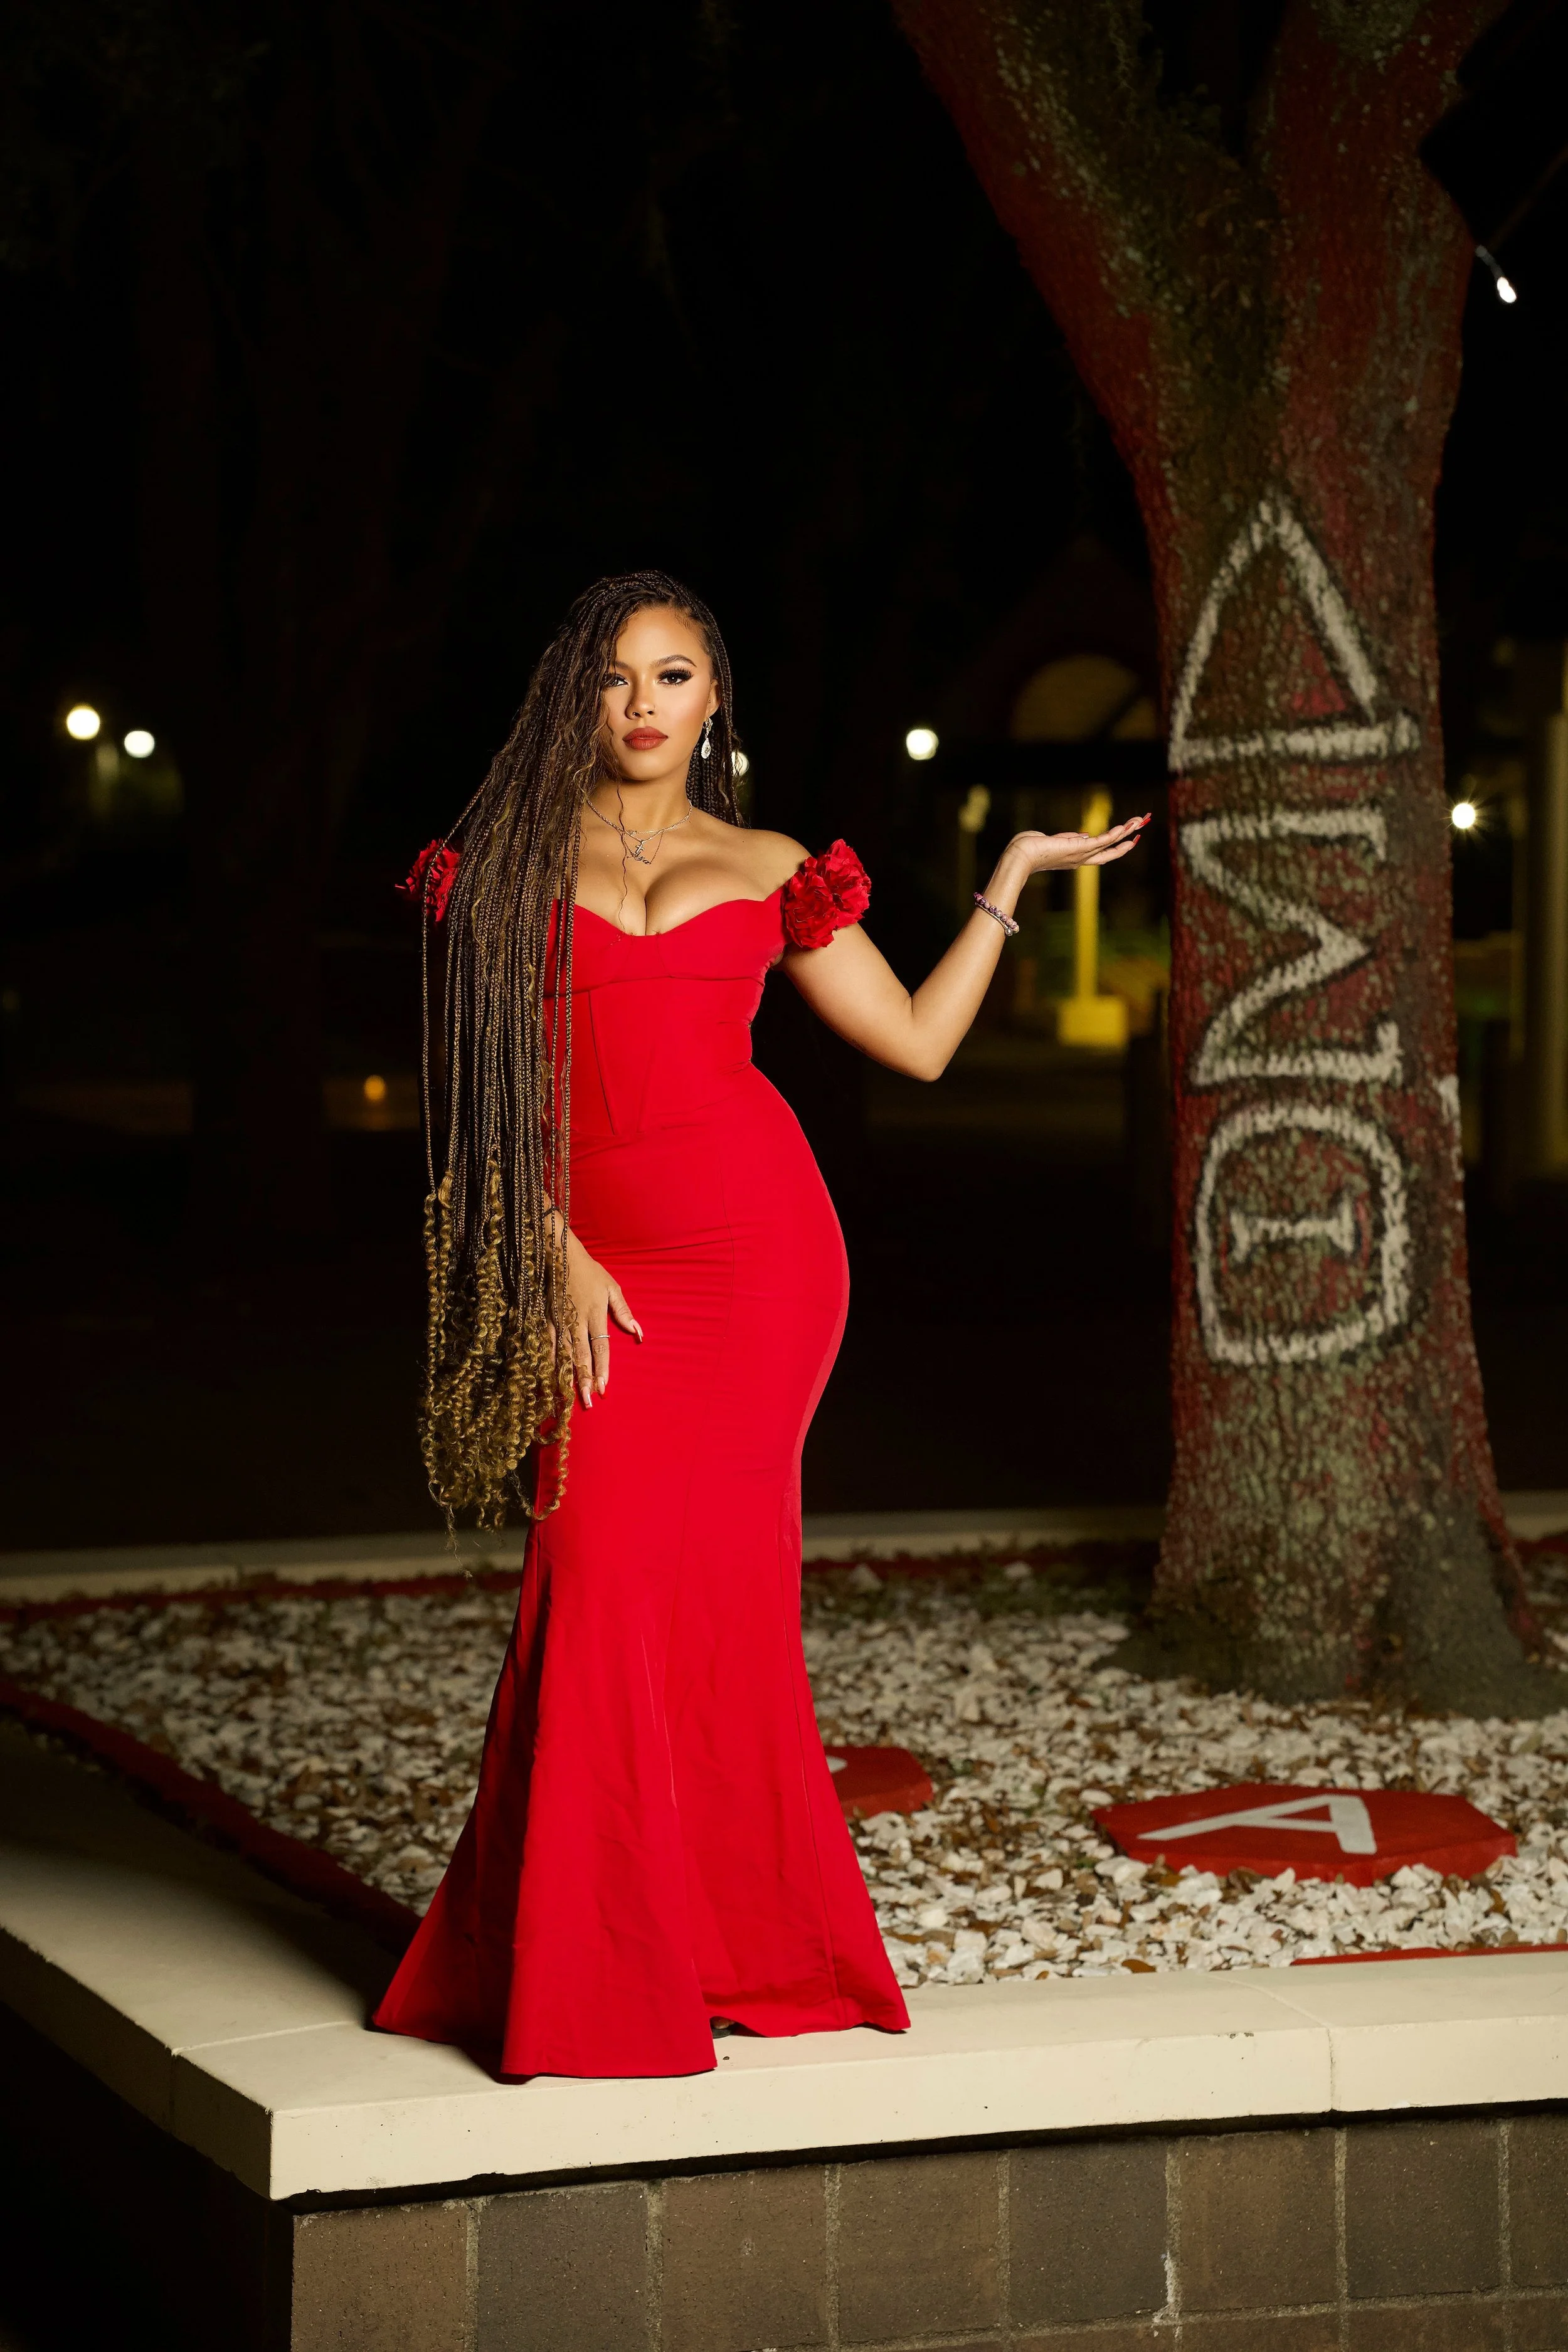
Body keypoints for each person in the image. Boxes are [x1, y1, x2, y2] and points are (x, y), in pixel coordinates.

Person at [374, 569, 1147, 2079]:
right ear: (576, 697)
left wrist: (1010, 877)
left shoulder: (773, 861)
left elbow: (917, 1042)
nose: (644, 703)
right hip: (594, 1263)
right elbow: (476, 1089)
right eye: (615, 678)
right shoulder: (511, 854)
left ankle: (735, 1951)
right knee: (589, 1577)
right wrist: (548, 1243)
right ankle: (586, 1971)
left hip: (759, 1265)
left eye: (672, 676)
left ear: (712, 694)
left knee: (723, 1607)